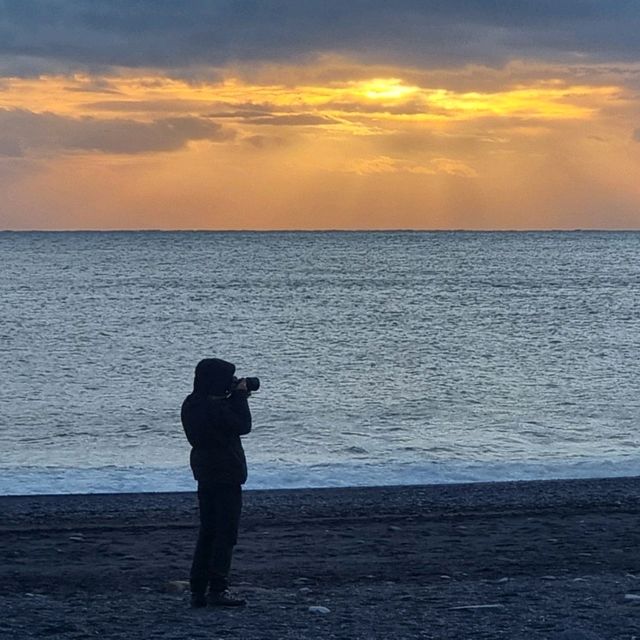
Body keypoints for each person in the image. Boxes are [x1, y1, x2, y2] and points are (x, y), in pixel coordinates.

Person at [181, 357, 253, 608]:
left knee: (208, 532)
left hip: (204, 471)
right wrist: (240, 398)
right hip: (226, 473)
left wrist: (231, 399)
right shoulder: (217, 408)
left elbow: (219, 422)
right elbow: (243, 425)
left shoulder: (192, 404)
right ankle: (217, 589)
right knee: (225, 533)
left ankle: (198, 590)